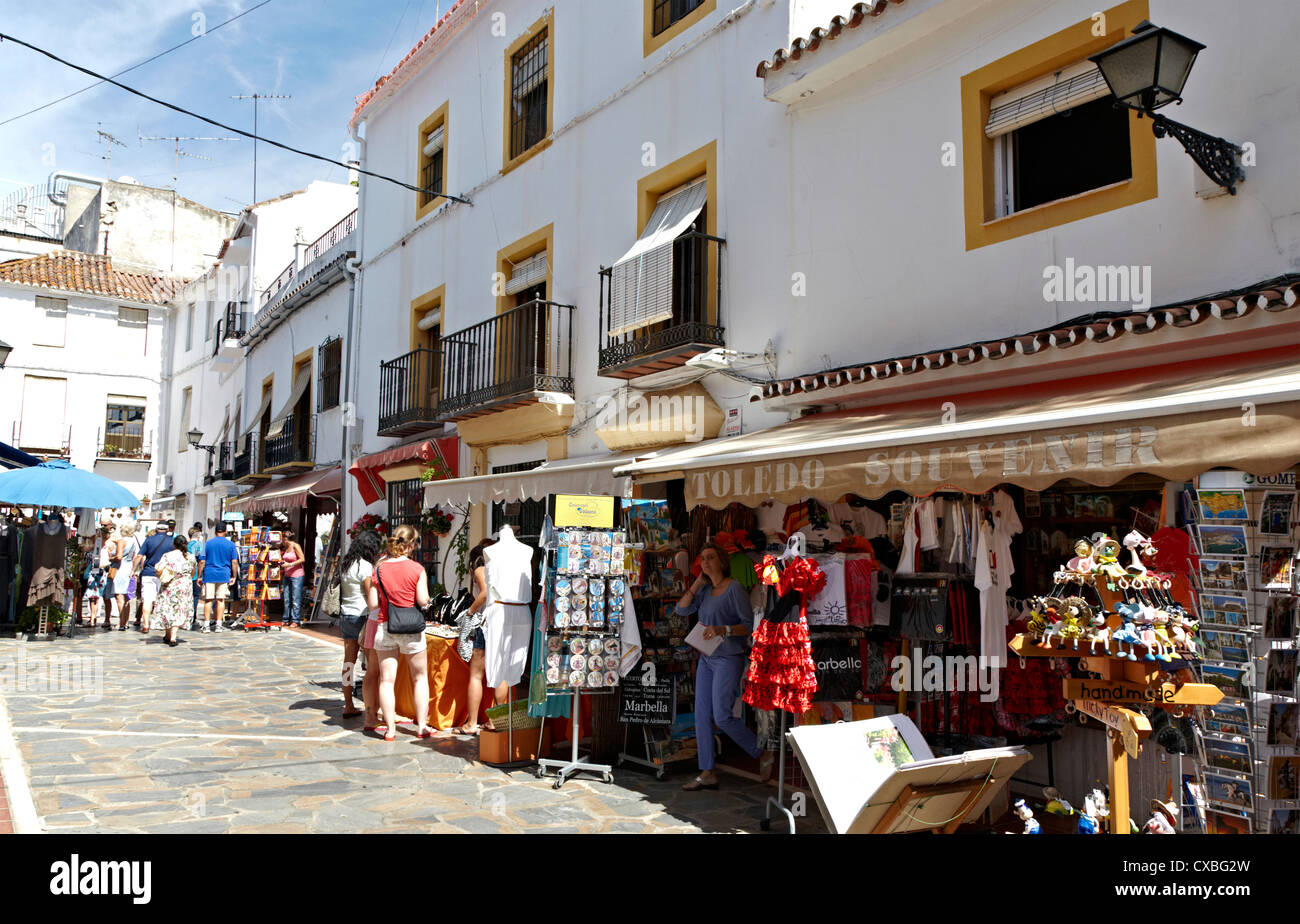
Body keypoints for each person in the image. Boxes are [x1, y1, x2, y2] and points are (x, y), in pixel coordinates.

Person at [676, 541, 773, 791]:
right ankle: (707, 771)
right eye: (703, 559)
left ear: (721, 561)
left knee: (722, 715)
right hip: (706, 659)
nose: (706, 562)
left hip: (729, 658)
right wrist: (697, 582)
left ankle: (760, 751)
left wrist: (724, 629)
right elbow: (680, 609)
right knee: (702, 716)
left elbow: (749, 625)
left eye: (710, 557)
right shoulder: (706, 591)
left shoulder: (735, 588)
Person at [364, 524, 433, 741]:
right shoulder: (417, 569)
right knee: (420, 677)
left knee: (386, 680)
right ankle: (422, 726)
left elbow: (373, 604)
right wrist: (429, 602)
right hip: (411, 628)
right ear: (411, 544)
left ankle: (390, 729)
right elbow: (422, 600)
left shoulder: (379, 569)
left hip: (386, 627)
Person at [455, 538, 500, 736]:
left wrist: (469, 613)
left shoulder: (481, 568)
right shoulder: (501, 569)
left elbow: (483, 595)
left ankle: (472, 723)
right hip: (501, 622)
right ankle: (496, 721)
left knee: (476, 674)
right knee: (500, 674)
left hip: (485, 623)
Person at [338, 531, 382, 720]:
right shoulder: (365, 566)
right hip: (363, 616)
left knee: (349, 662)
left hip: (346, 615)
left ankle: (348, 703)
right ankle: (373, 705)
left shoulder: (347, 564)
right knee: (372, 663)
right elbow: (369, 593)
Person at [156, 536, 196, 647]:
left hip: (171, 584)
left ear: (174, 544)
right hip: (185, 586)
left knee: (169, 608)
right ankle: (171, 636)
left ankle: (169, 634)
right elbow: (193, 572)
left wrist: (159, 575)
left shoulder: (168, 556)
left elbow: (159, 569)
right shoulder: (191, 557)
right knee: (180, 609)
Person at [200, 521, 240, 632]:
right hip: (224, 574)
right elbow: (234, 562)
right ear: (226, 532)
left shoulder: (208, 543)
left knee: (208, 600)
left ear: (215, 531)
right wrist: (234, 576)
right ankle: (218, 624)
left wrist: (199, 575)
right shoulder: (231, 545)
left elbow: (202, 561)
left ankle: (206, 625)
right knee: (221, 600)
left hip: (209, 574)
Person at [134, 522, 173, 634]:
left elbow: (139, 556)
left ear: (156, 529)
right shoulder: (171, 541)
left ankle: (146, 625)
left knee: (147, 599)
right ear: (167, 529)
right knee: (163, 600)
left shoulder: (149, 540)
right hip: (165, 574)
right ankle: (161, 623)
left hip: (148, 573)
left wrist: (133, 570)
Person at [110, 521, 140, 631]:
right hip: (128, 568)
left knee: (119, 597)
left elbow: (118, 556)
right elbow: (135, 556)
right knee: (126, 598)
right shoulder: (133, 541)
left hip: (120, 569)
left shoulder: (122, 541)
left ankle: (121, 623)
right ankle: (126, 622)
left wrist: (110, 558)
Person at [83, 524, 110, 627]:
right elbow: (84, 550)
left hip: (101, 574)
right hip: (93, 574)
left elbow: (108, 561)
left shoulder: (107, 548)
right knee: (92, 596)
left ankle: (101, 618)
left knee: (100, 596)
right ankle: (92, 617)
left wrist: (100, 566)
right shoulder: (94, 548)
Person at [280, 529, 307, 627]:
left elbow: (302, 558)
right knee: (286, 598)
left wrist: (289, 564)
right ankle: (286, 618)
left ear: (286, 539)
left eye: (282, 539)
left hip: (297, 575)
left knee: (295, 598)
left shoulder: (296, 546)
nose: (282, 542)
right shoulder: (286, 548)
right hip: (287, 575)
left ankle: (295, 619)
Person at [187, 525, 206, 624]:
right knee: (195, 596)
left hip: (186, 574)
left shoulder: (186, 545)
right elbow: (201, 560)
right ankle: (192, 616)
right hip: (195, 574)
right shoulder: (198, 545)